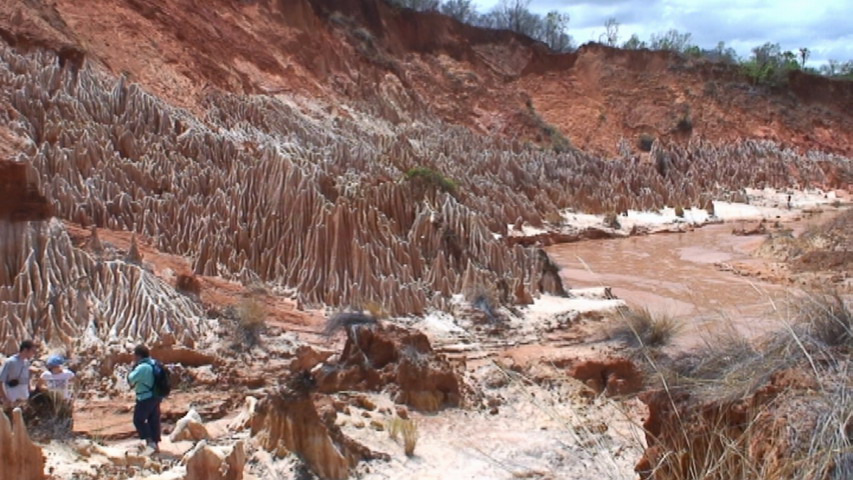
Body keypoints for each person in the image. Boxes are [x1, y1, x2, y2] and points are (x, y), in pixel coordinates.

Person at [127, 345, 161, 453]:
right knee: (153, 420)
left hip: (145, 397)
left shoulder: (142, 367)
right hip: (156, 396)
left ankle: (150, 442)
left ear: (138, 356)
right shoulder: (154, 363)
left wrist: (132, 368)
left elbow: (131, 379)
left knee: (138, 420)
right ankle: (155, 444)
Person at [0, 340, 37, 407]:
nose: (33, 353)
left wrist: (29, 388)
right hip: (11, 395)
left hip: (23, 396)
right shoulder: (10, 362)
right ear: (25, 350)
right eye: (32, 351)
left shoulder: (26, 363)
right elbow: (1, 380)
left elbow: (27, 378)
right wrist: (5, 398)